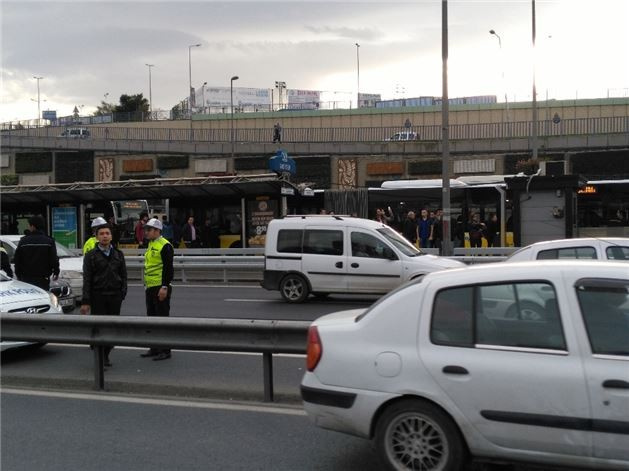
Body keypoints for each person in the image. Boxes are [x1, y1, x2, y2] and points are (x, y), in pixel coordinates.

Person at [80, 224, 128, 367]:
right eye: (102, 233)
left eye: (107, 233)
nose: (105, 236)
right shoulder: (90, 256)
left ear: (111, 236)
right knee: (100, 328)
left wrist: (122, 292)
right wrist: (85, 301)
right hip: (98, 296)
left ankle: (106, 354)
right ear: (97, 237)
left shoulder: (118, 254)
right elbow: (87, 279)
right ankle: (100, 356)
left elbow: (124, 276)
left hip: (115, 296)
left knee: (113, 328)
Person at [140, 218, 174, 361]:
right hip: (150, 287)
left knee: (162, 320)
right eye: (146, 230)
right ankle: (154, 348)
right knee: (152, 319)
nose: (146, 232)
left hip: (160, 287)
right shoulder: (151, 244)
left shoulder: (165, 245)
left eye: (149, 230)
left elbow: (168, 268)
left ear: (157, 231)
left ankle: (165, 350)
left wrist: (164, 286)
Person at [14, 215, 60, 291]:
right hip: (43, 279)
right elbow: (53, 259)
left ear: (33, 226)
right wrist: (56, 271)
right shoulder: (49, 241)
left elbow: (17, 260)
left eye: (29, 225)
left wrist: (18, 275)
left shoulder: (23, 241)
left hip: (26, 279)